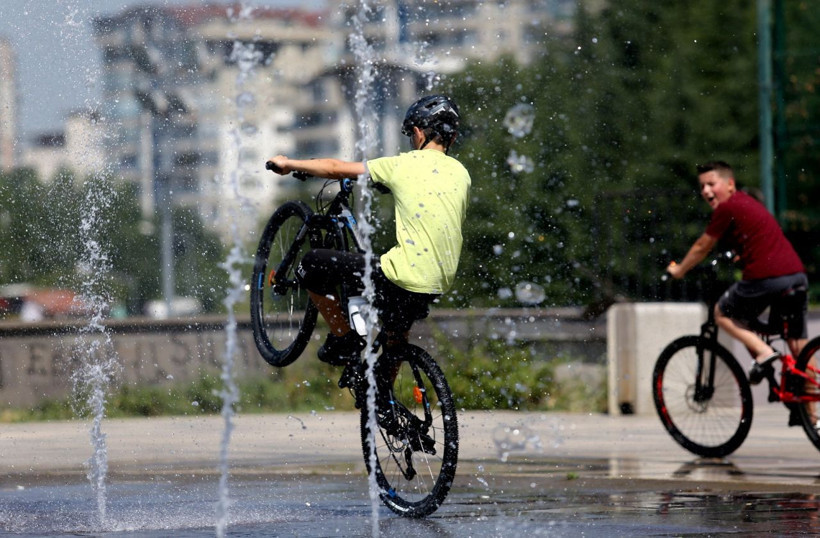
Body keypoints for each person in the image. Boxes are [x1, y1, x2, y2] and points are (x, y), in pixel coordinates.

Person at [266, 95, 471, 383]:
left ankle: (344, 340)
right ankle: (386, 408)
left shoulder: (403, 165)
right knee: (394, 335)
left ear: (418, 133)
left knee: (312, 264)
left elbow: (335, 168)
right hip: (438, 279)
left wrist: (288, 163)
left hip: (402, 274)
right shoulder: (461, 173)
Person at [666, 160, 808, 385]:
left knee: (722, 313)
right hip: (796, 276)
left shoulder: (727, 207)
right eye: (702, 186)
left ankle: (763, 352)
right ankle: (812, 416)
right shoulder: (747, 203)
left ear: (730, 184)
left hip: (766, 278)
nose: (706, 191)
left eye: (711, 184)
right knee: (799, 349)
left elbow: (703, 246)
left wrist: (680, 269)